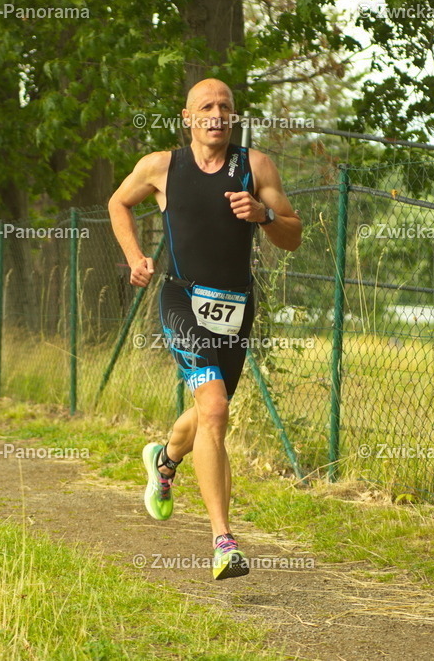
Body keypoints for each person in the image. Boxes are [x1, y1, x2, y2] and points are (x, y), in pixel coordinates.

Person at [108, 79, 302, 580]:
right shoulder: (160, 167)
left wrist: (265, 215)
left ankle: (164, 460)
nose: (217, 114)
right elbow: (117, 203)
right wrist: (135, 257)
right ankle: (223, 540)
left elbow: (293, 236)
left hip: (237, 306)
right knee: (215, 410)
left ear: (234, 116)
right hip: (182, 299)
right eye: (206, 107)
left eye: (225, 107)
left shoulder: (255, 166)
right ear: (188, 117)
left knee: (208, 413)